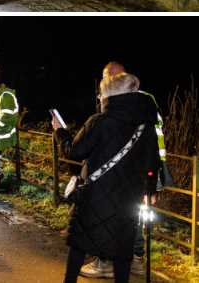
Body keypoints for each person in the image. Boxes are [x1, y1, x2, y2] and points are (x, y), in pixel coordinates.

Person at [52, 72, 160, 283]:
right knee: (122, 254)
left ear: (110, 96)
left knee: (80, 246)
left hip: (93, 199)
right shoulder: (146, 128)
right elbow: (152, 164)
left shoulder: (100, 122)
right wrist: (150, 189)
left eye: (102, 95)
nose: (100, 99)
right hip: (127, 202)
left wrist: (60, 132)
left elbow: (74, 152)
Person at [79, 61, 168, 279]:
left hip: (130, 170)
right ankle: (133, 259)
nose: (104, 82)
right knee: (131, 215)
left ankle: (110, 261)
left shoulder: (128, 102)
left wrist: (153, 178)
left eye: (108, 77)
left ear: (120, 78)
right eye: (103, 77)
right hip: (140, 169)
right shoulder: (143, 101)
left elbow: (151, 138)